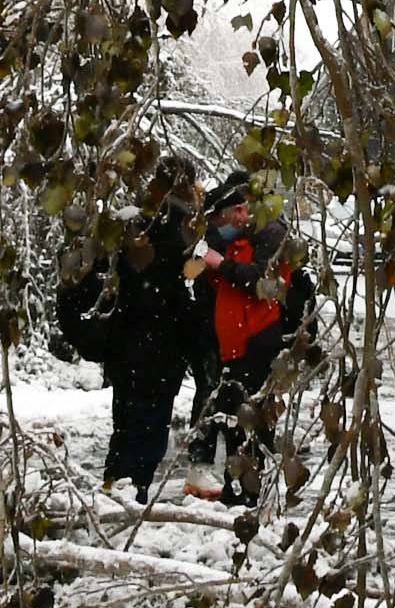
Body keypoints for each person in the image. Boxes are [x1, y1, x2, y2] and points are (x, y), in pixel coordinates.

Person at [55, 164, 207, 505]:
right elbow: (178, 294)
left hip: (126, 347)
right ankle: (130, 491)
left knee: (125, 424)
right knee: (148, 430)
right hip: (159, 349)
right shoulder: (179, 231)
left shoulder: (133, 224)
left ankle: (114, 486)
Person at [187, 179, 312, 499]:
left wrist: (221, 265)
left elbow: (259, 282)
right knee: (232, 419)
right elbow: (227, 284)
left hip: (256, 343)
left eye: (229, 218)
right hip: (234, 345)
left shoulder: (268, 237)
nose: (229, 225)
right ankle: (236, 486)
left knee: (251, 421)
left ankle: (249, 490)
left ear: (242, 210)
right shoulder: (241, 240)